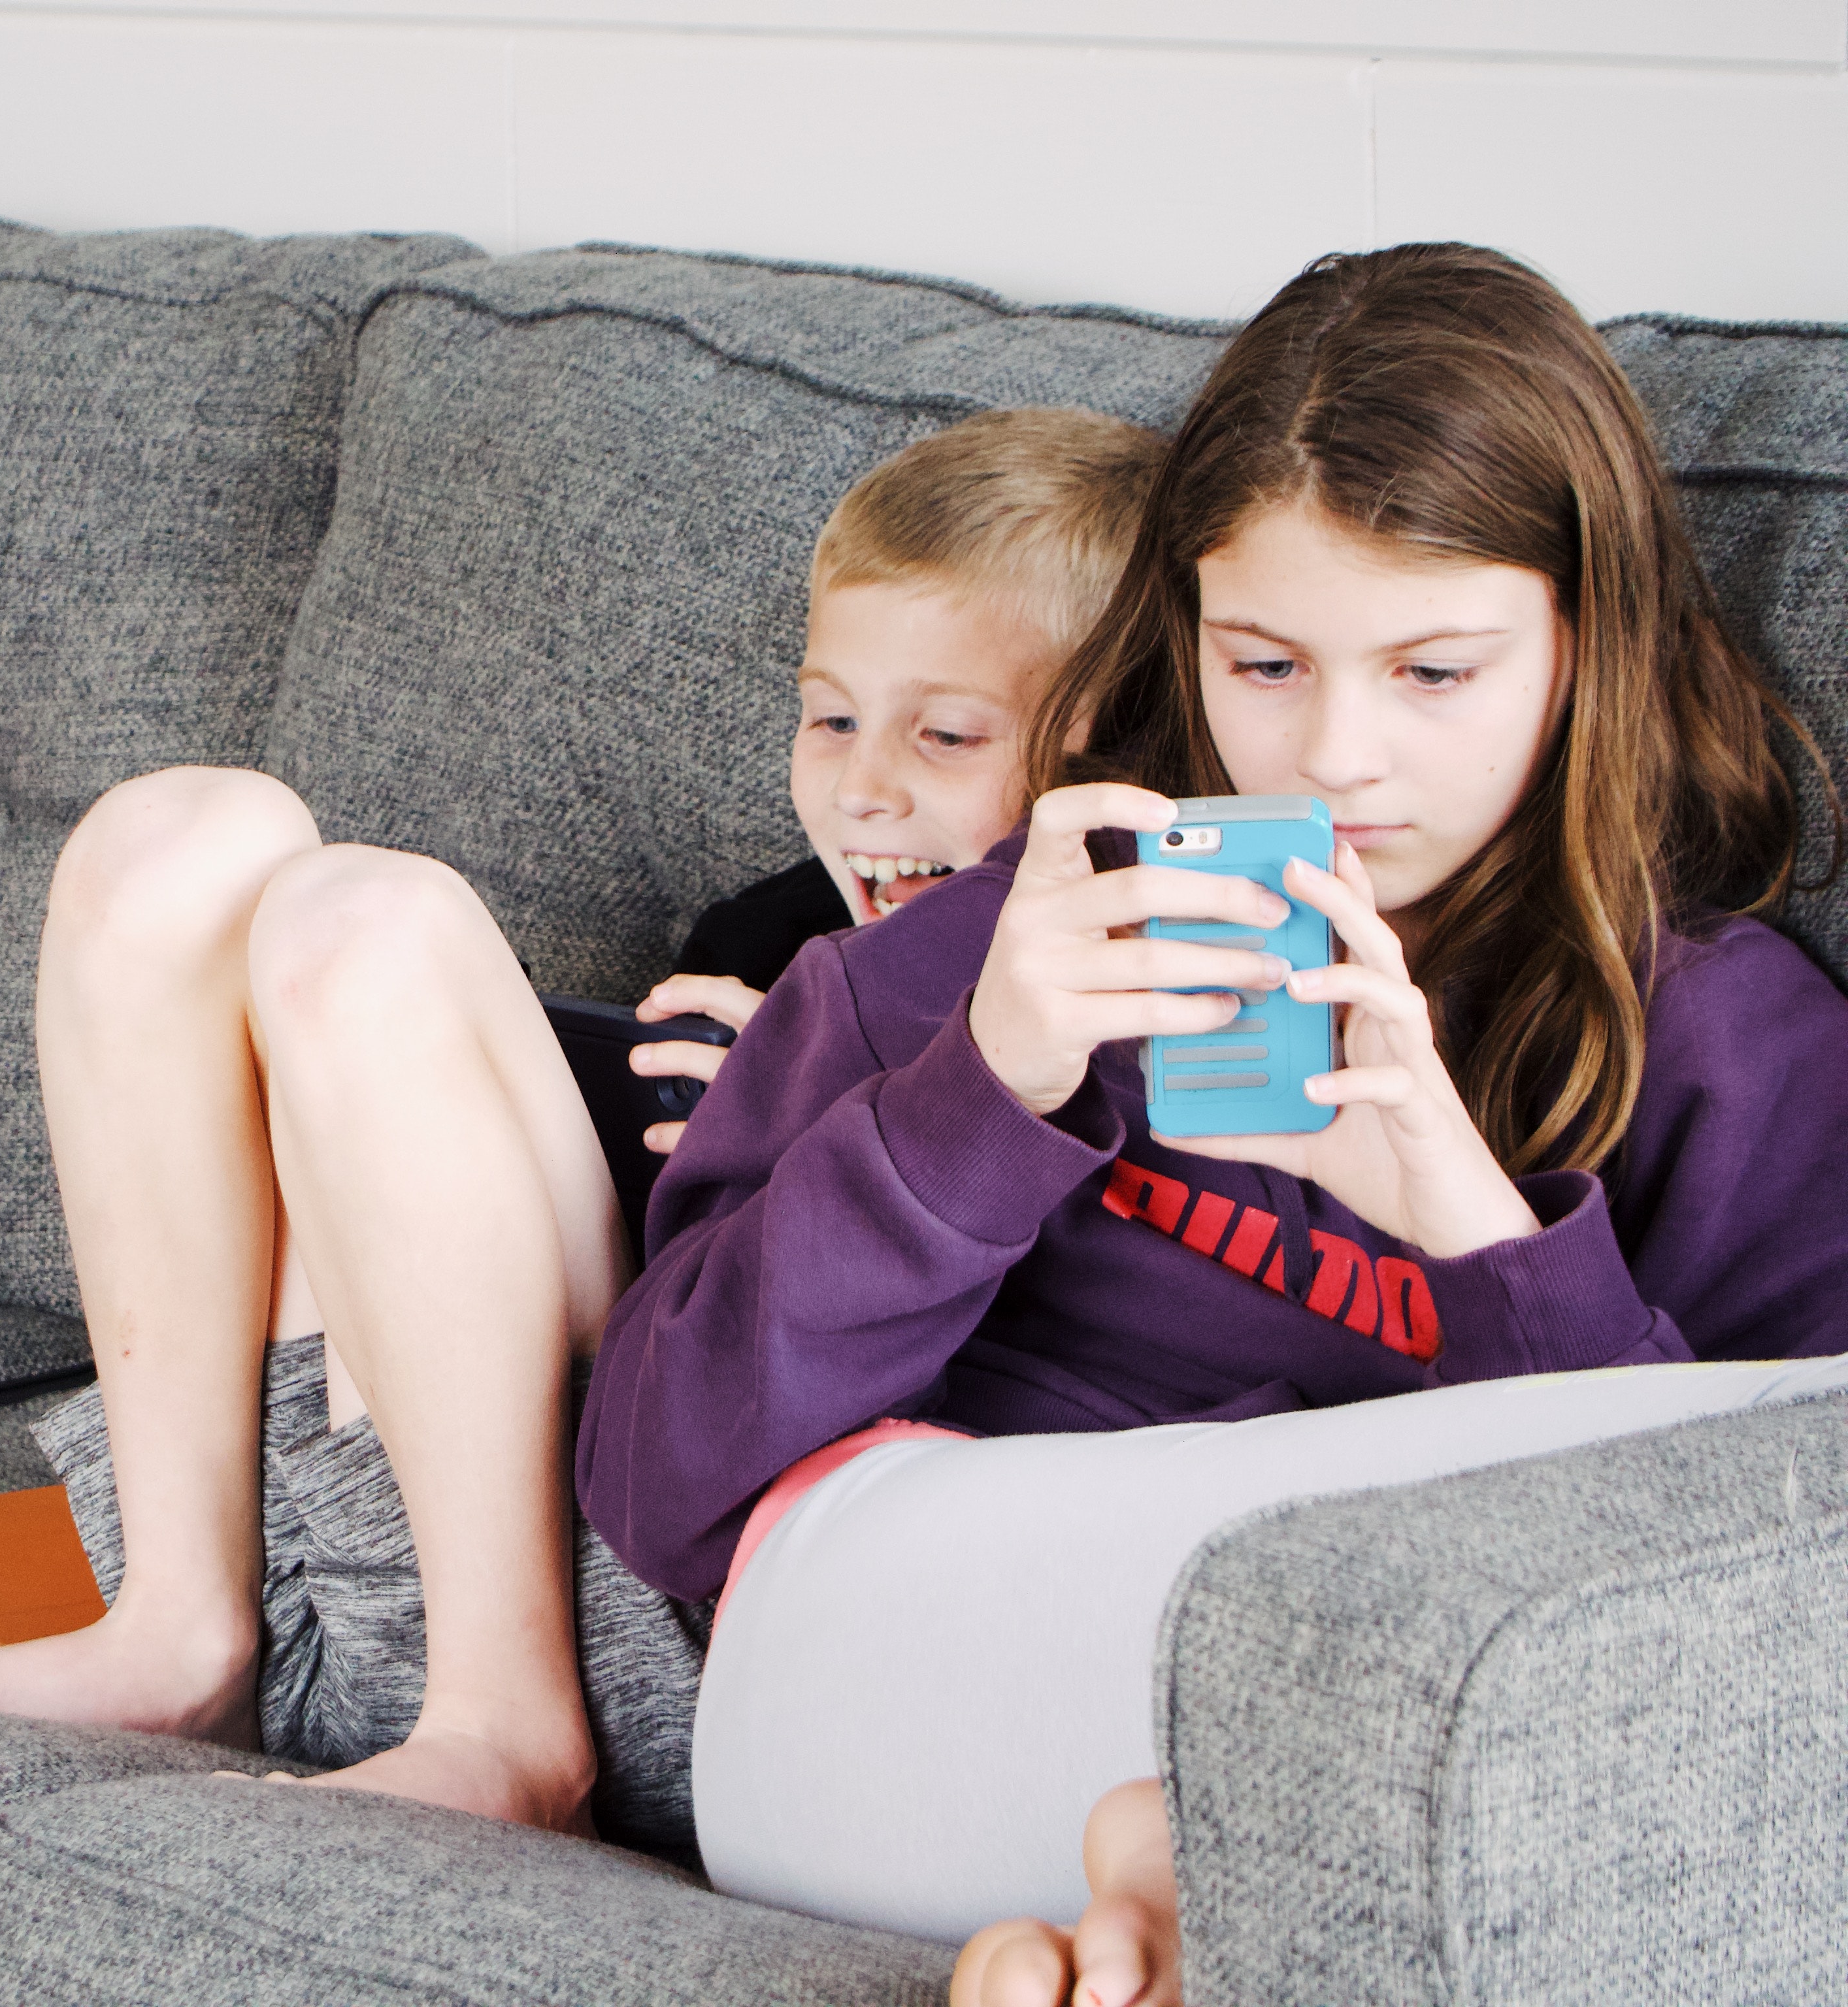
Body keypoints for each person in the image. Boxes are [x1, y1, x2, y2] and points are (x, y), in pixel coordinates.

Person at [569, 245, 1848, 2004]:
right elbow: (653, 1476)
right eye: (1265, 665)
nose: (1337, 759)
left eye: (1434, 673)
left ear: (1583, 643)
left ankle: (1154, 1897)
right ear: (1184, 638)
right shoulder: (979, 952)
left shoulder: (1724, 1047)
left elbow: (1763, 1651)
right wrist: (980, 1103)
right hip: (889, 1679)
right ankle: (1178, 1850)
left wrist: (1478, 1232)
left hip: (1409, 1743)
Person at [0, 408, 1165, 1844]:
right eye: (827, 715)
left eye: (945, 734)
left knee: (363, 924)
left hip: (645, 1605)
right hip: (329, 1543)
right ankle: (176, 1633)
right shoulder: (770, 938)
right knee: (177, 837)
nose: (862, 786)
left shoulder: (1120, 1009)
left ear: (1100, 752)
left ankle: (509, 1731)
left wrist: (805, 1144)